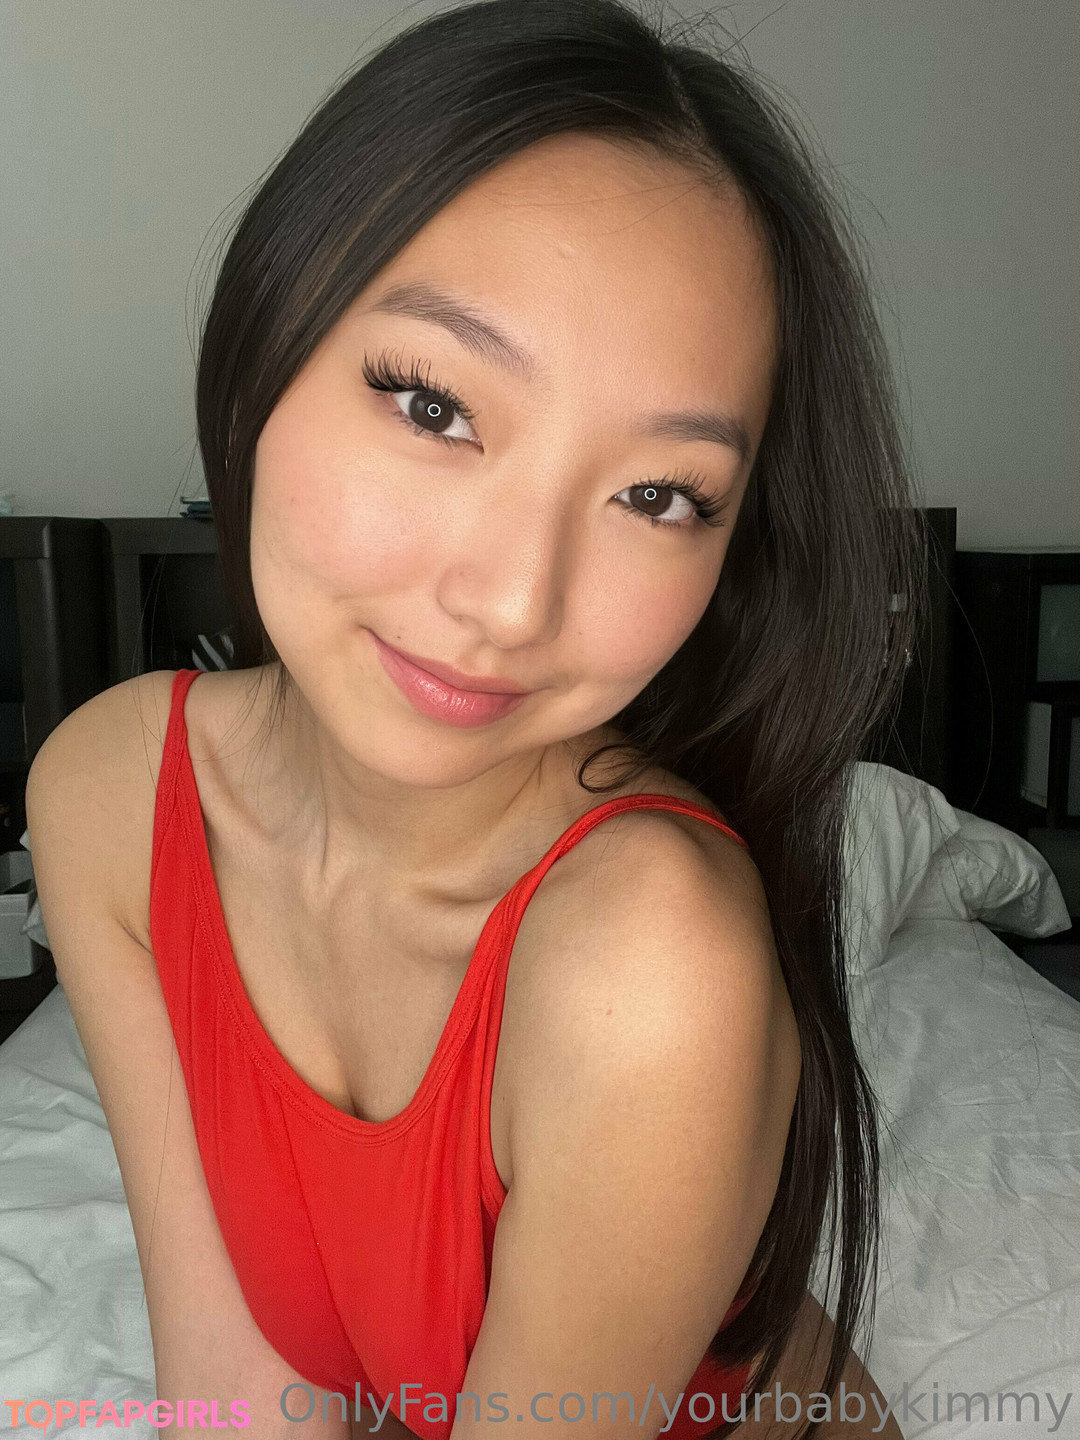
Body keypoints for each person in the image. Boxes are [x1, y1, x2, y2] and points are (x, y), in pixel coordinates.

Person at [27, 2, 922, 1437]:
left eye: (658, 496)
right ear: (269, 343)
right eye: (434, 406)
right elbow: (241, 1388)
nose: (511, 601)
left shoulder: (650, 960)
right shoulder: (109, 796)